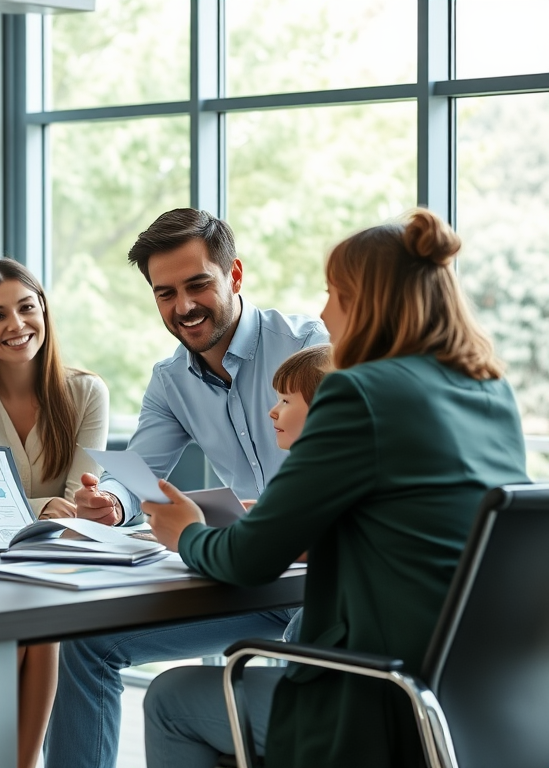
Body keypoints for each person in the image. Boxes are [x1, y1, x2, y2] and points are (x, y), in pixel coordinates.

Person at [142, 209, 530, 768]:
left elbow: (248, 560)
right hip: (476, 701)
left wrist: (187, 534)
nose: (323, 311)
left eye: (334, 293)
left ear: (370, 303)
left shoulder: (358, 394)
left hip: (376, 701)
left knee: (171, 699)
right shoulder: (491, 394)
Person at [44, 208, 328, 768]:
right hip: (253, 582)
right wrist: (110, 503)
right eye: (165, 293)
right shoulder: (171, 379)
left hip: (319, 581)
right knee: (86, 644)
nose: (183, 307)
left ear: (235, 275)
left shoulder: (309, 349)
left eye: (198, 284)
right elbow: (137, 475)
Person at [0, 258, 109, 768]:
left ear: (44, 312)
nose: (16, 325)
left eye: (26, 307)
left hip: (58, 556)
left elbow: (80, 498)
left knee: (31, 619)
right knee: (25, 623)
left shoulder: (86, 392)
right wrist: (40, 508)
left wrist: (31, 510)